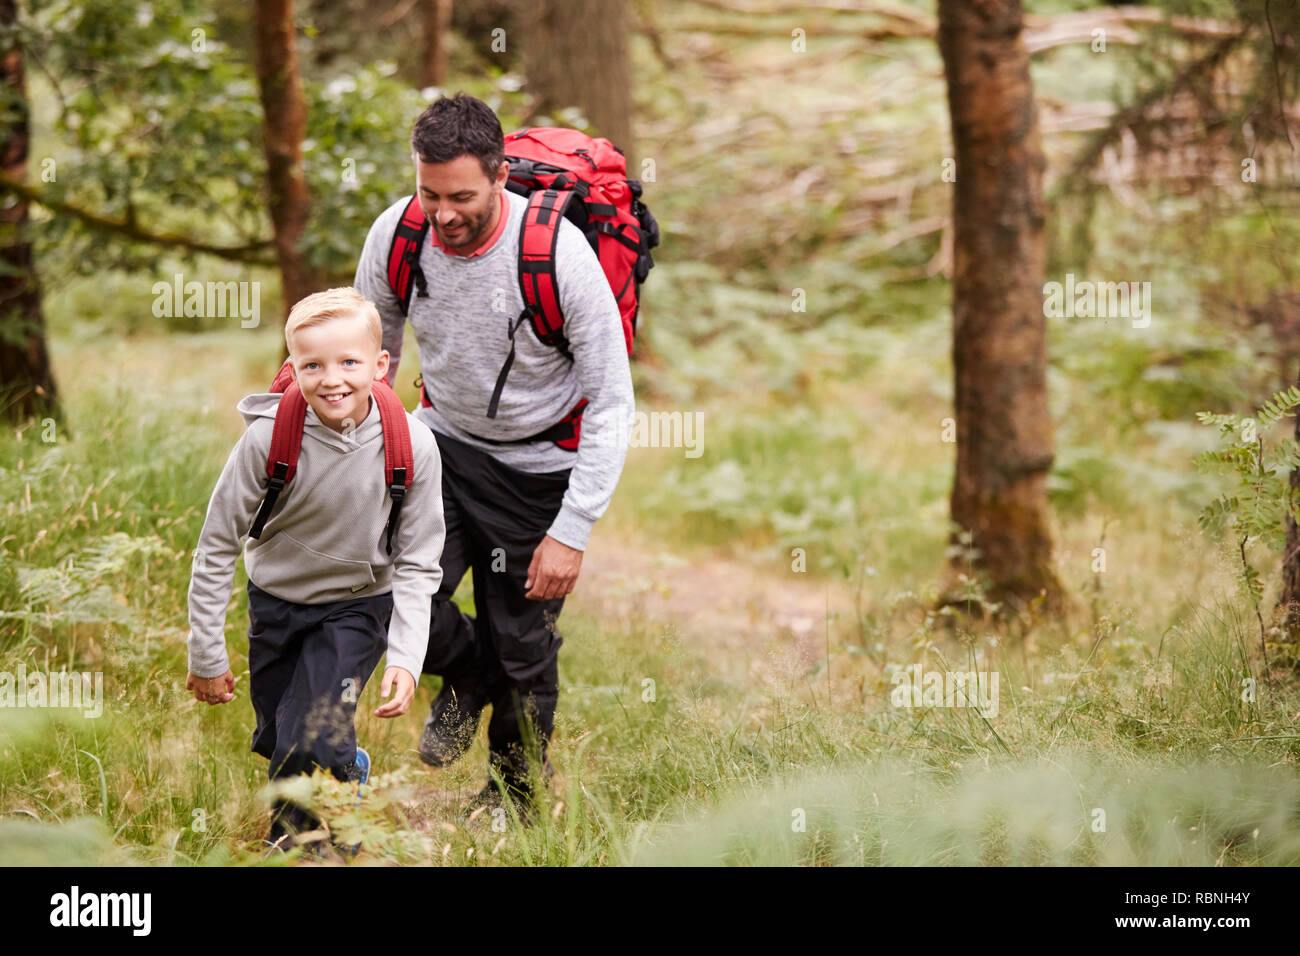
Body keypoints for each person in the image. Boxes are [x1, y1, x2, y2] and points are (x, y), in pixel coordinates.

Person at [353, 93, 634, 811]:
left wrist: (571, 531)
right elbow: (367, 359)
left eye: (462, 197)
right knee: (380, 585)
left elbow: (611, 400)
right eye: (429, 193)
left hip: (537, 473)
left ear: (501, 175)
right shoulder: (399, 233)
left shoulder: (556, 255)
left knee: (525, 646)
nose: (443, 214)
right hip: (441, 446)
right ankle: (471, 669)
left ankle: (512, 799)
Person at [184, 287, 445, 846]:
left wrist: (405, 654)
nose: (333, 379)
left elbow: (421, 561)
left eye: (350, 362)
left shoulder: (414, 446)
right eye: (313, 365)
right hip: (277, 602)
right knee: (279, 734)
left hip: (358, 604)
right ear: (292, 367)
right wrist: (206, 653)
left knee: (306, 728)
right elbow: (216, 546)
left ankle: (297, 845)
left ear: (380, 365)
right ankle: (348, 767)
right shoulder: (266, 441)